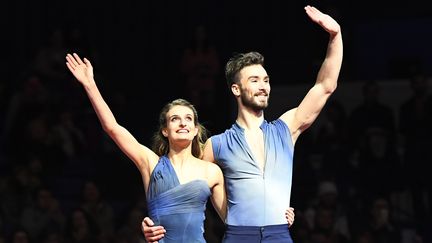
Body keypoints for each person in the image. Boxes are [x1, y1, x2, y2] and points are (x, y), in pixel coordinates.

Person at [143, 4, 343, 243]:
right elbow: (182, 189)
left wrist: (335, 35)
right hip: (239, 236)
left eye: (266, 80)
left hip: (278, 233)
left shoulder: (285, 129)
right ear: (236, 89)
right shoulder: (216, 145)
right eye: (255, 80)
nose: (263, 86)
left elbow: (325, 86)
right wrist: (153, 223)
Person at [65, 52, 227, 242]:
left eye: (188, 119)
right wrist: (90, 85)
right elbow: (112, 128)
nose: (182, 123)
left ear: (195, 130)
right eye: (175, 119)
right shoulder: (150, 162)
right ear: (165, 131)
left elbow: (233, 223)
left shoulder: (212, 171)